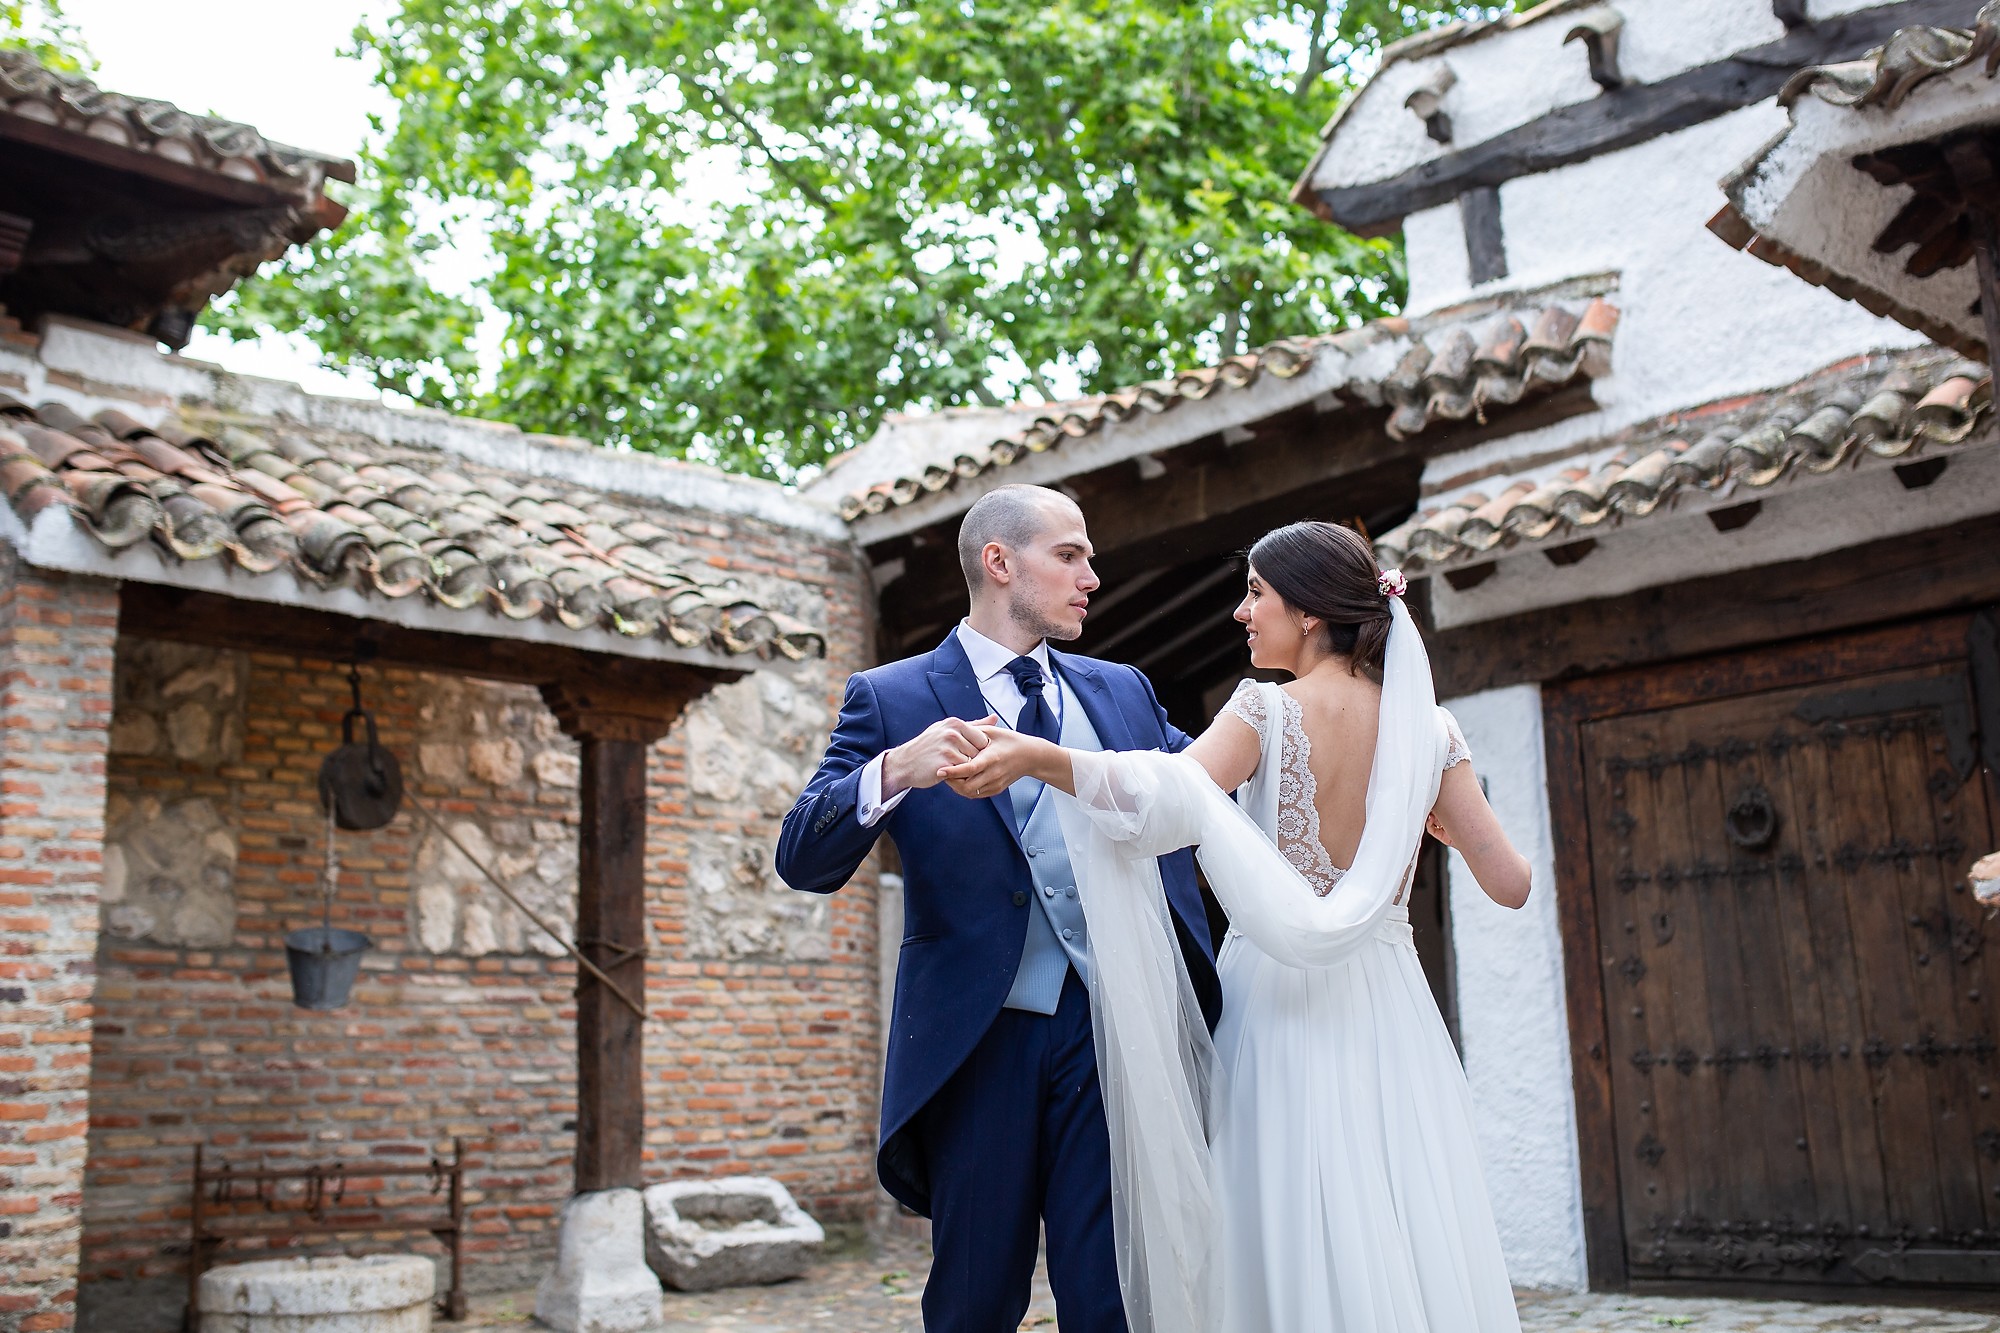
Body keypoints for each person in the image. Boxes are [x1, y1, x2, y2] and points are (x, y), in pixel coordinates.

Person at [941, 520, 1531, 1332]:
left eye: (1256, 593)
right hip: (1392, 1008)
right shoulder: (1428, 731)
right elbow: (1512, 884)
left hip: (1279, 1008)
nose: (1241, 614)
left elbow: (1163, 796)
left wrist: (1036, 757)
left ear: (1312, 612)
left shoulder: (1264, 709)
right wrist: (1441, 823)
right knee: (1394, 1208)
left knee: (1279, 1214)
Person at [774, 484, 1220, 1333]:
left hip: (1113, 1029)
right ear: (1000, 561)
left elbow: (1205, 792)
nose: (1093, 574)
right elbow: (801, 854)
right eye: (1071, 554)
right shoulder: (891, 695)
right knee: (976, 1298)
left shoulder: (1122, 690)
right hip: (979, 1041)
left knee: (1112, 1293)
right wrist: (895, 770)